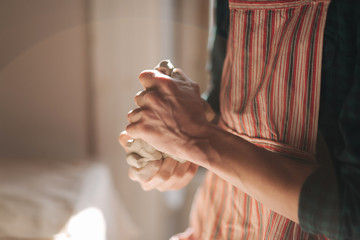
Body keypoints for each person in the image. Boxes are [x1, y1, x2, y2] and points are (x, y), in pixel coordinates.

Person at [119, 0, 360, 239]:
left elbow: (352, 217)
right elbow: (232, 110)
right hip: (221, 225)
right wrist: (174, 147)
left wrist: (195, 138)